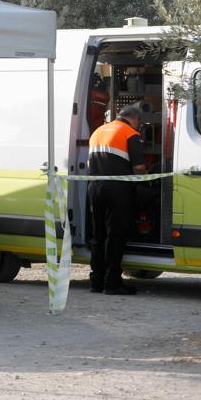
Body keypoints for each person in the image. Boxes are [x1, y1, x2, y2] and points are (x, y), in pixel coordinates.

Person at [88, 105, 146, 295]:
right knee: (116, 236)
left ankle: (96, 281)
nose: (139, 126)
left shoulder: (99, 131)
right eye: (140, 123)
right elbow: (139, 167)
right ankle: (112, 283)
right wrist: (147, 179)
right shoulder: (130, 133)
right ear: (135, 119)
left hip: (95, 187)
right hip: (117, 190)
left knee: (98, 236)